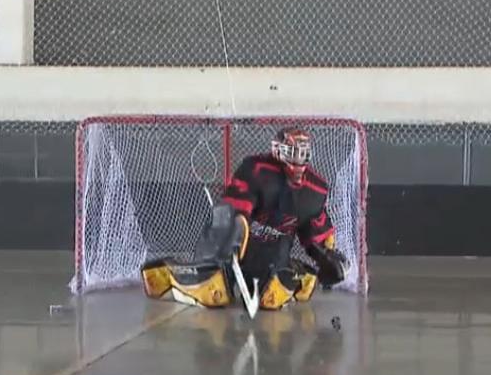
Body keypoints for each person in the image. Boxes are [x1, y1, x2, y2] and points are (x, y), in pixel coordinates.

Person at [141, 127, 349, 311]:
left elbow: (316, 233)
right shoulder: (257, 168)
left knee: (272, 297)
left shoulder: (315, 189)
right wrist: (234, 237)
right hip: (231, 249)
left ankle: (296, 271)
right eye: (292, 152)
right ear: (278, 150)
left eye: (302, 154)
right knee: (215, 292)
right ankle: (169, 273)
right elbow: (234, 207)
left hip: (272, 254)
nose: (297, 159)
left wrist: (326, 256)